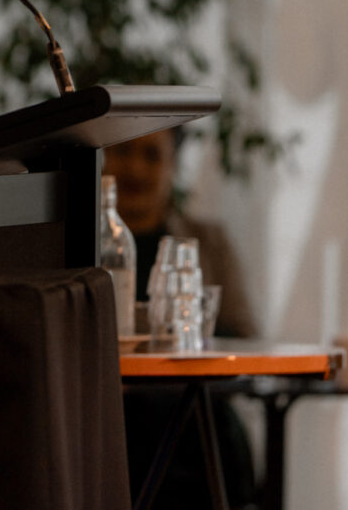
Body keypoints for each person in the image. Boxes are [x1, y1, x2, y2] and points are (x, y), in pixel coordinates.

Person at [106, 128, 258, 509]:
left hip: (194, 411)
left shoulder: (208, 242)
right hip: (110, 416)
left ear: (173, 165)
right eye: (124, 152)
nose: (136, 169)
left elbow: (244, 336)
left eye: (152, 156)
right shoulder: (74, 243)